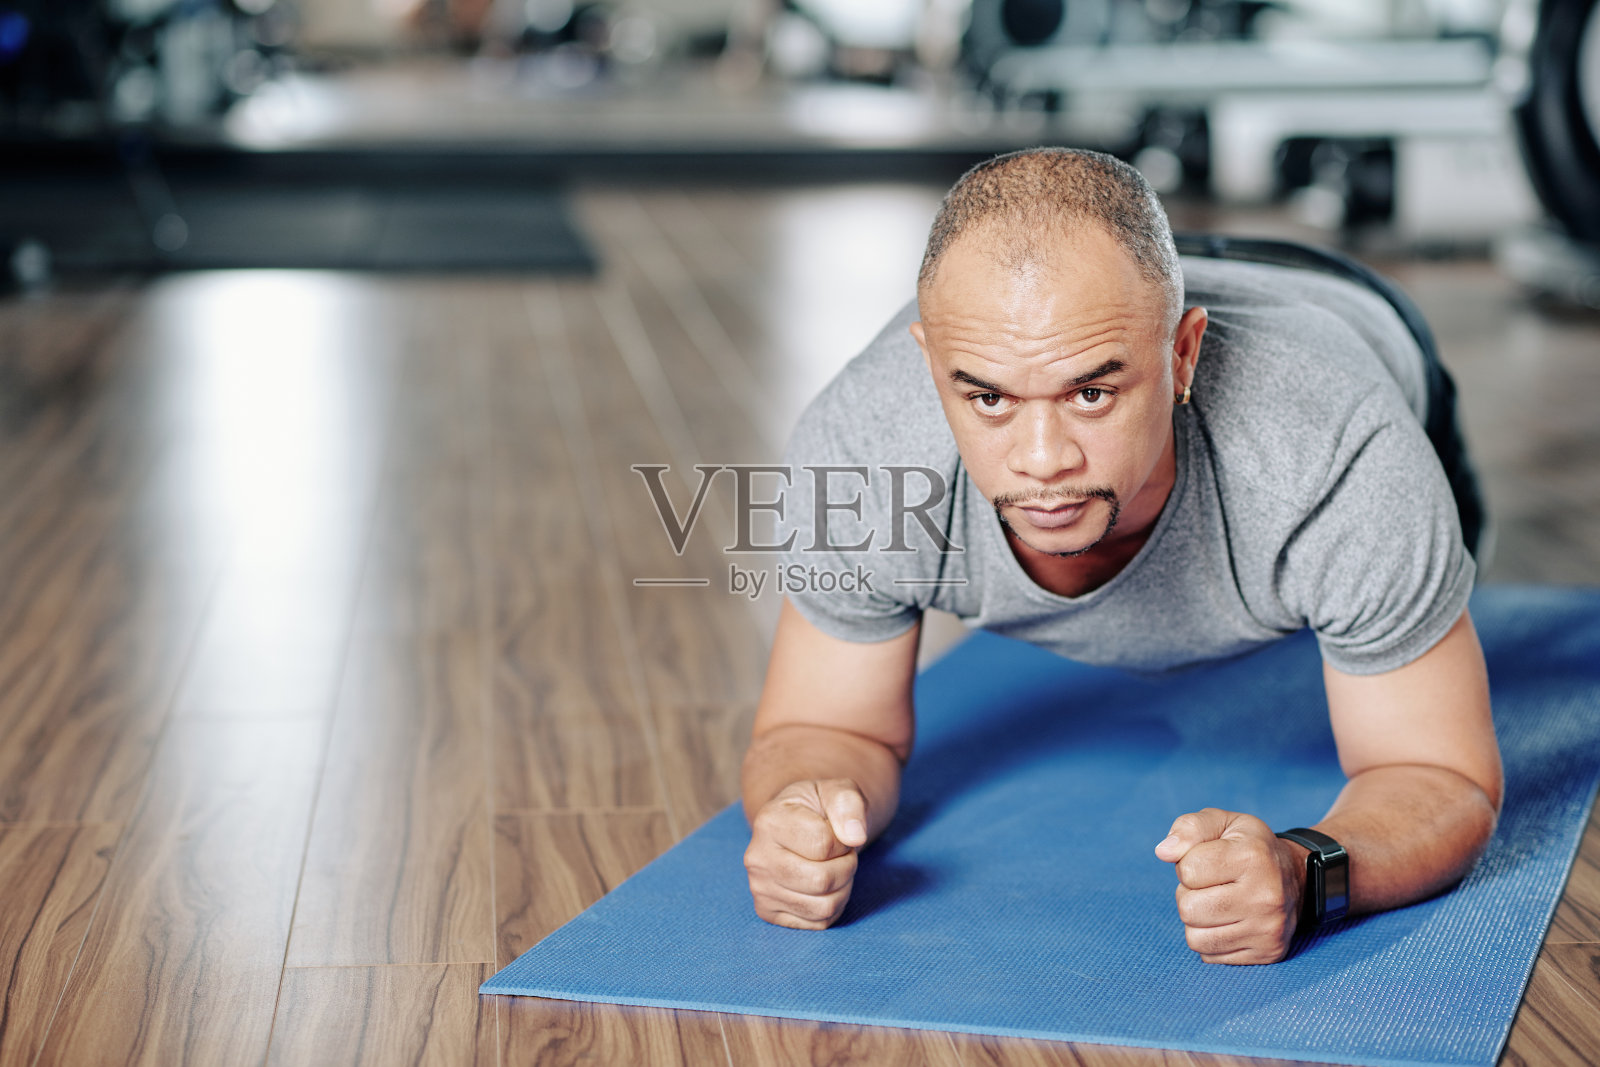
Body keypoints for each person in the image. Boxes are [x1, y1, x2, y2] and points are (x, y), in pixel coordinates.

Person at [739, 147, 1504, 966]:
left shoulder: (1339, 451)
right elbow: (823, 725)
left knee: (1445, 588)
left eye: (1090, 392)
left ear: (1182, 358)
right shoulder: (861, 446)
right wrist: (802, 811)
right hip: (1146, 290)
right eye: (988, 397)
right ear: (931, 367)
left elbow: (1436, 770)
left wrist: (1307, 872)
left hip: (1334, 302)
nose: (1042, 460)